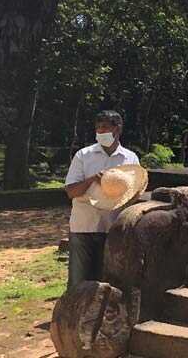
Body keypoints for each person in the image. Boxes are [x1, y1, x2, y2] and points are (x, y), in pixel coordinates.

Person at [64, 110, 140, 289]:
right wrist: (92, 179)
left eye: (104, 127)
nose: (100, 131)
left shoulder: (130, 158)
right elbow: (71, 191)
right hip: (84, 227)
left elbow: (134, 194)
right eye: (98, 128)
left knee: (107, 282)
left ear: (117, 129)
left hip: (113, 228)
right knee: (78, 283)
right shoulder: (83, 155)